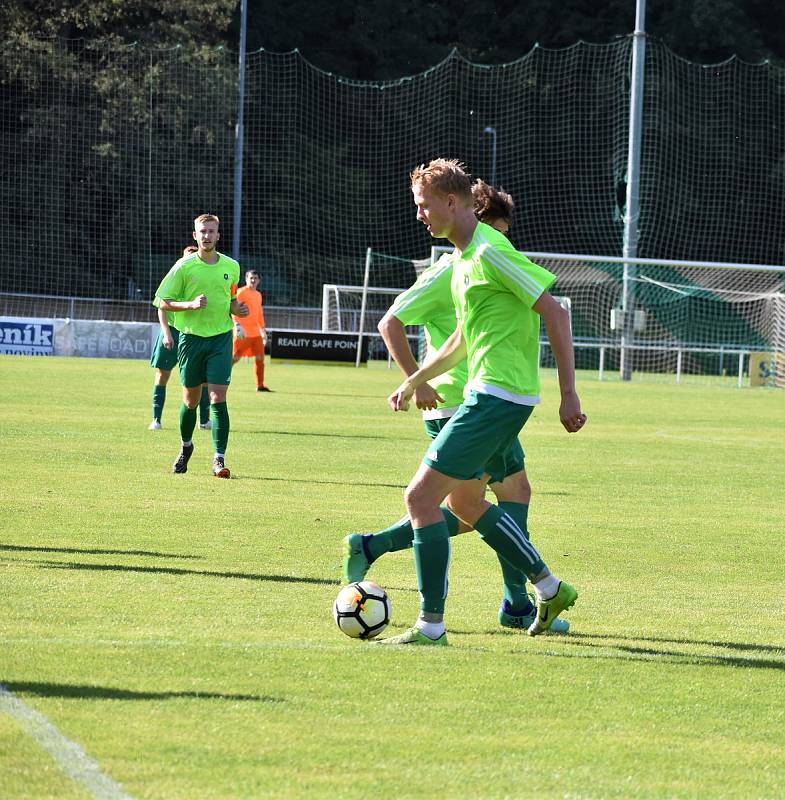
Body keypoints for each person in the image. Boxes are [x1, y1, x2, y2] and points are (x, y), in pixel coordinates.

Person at [343, 180, 569, 633]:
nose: (419, 214)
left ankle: (433, 625)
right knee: (469, 502)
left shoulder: (489, 252)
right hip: (478, 397)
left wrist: (570, 395)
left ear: (453, 203)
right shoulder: (464, 261)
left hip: (494, 396)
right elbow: (459, 338)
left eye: (423, 205)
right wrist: (414, 380)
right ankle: (542, 590)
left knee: (423, 498)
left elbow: (555, 311)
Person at [153, 214, 248, 478]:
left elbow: (229, 300)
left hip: (220, 338)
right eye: (202, 231)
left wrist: (237, 309)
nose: (207, 236)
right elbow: (161, 301)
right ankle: (186, 447)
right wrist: (190, 305)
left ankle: (219, 459)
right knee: (190, 400)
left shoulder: (232, 266)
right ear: (195, 235)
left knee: (218, 397)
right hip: (191, 339)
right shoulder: (183, 267)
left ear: (218, 235)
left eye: (211, 231)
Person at [148, 246, 211, 431]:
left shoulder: (199, 282)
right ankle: (156, 420)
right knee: (162, 375)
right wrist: (166, 333)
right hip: (172, 332)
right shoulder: (175, 277)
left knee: (203, 379)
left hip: (192, 334)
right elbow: (162, 306)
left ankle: (204, 421)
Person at [232, 269, 272, 392]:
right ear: (246, 279)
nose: (253, 280)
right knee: (235, 358)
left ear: (259, 280)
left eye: (255, 278)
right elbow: (233, 308)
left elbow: (259, 313)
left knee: (260, 357)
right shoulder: (240, 292)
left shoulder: (258, 295)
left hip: (256, 333)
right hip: (243, 332)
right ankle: (219, 379)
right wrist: (237, 325)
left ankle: (260, 385)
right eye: (251, 278)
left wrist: (262, 330)